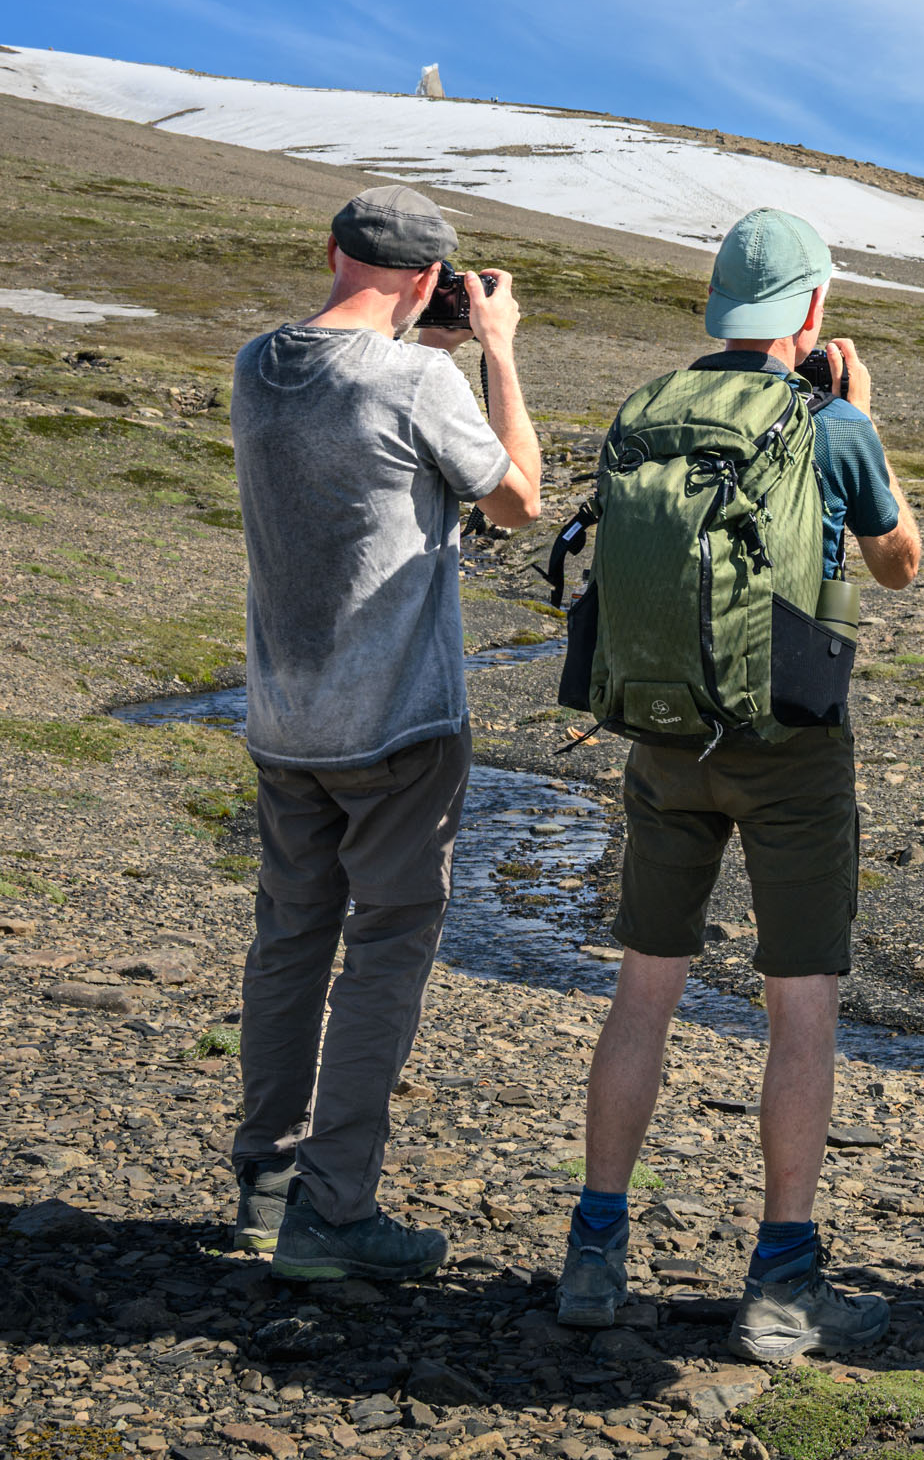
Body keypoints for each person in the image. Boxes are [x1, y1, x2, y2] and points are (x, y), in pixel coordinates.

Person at [557, 208, 922, 1360]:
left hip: (663, 737)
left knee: (645, 989)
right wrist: (861, 415)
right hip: (792, 749)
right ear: (810, 313)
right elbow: (900, 561)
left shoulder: (646, 409)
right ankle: (780, 1282)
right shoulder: (830, 420)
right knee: (797, 1001)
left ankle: (595, 1252)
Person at [229, 185, 544, 1280]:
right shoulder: (422, 378)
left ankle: (263, 1185)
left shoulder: (254, 366)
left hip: (283, 719)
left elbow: (346, 378)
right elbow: (516, 501)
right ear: (426, 279)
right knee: (385, 955)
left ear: (329, 251)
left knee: (290, 942)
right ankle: (335, 1212)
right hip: (398, 722)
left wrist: (421, 329)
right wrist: (495, 352)